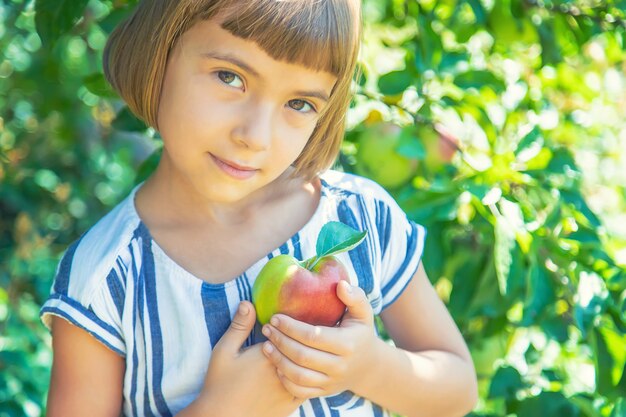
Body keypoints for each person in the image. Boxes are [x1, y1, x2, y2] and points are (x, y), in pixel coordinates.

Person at [39, 0, 478, 416]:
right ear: (161, 50)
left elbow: (458, 391)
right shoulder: (106, 279)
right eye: (230, 77)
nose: (256, 136)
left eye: (299, 104)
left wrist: (370, 367)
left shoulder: (359, 219)